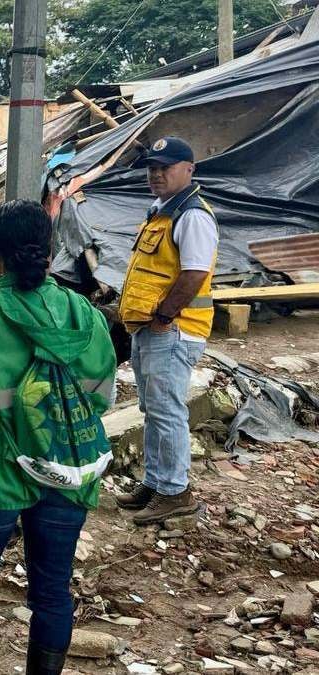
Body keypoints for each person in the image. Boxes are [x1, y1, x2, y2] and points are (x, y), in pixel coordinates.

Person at [0, 200, 116, 675]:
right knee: (52, 590)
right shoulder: (85, 315)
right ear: (51, 247)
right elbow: (101, 396)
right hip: (67, 468)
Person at [116, 137, 218, 525]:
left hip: (173, 330)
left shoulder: (191, 215)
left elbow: (194, 273)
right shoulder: (160, 212)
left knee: (167, 411)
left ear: (188, 169)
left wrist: (163, 317)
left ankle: (176, 492)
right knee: (154, 409)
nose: (156, 174)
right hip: (152, 328)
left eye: (166, 167)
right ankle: (156, 482)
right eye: (152, 168)